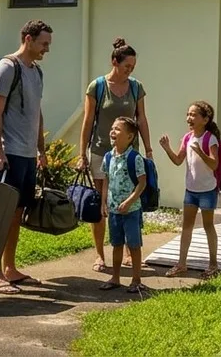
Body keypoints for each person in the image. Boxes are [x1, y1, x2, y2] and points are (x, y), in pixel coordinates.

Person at [0, 20, 51, 295]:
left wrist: (41, 149)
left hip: (27, 154)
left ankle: (10, 268)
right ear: (28, 38)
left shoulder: (36, 72)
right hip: (9, 153)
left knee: (17, 213)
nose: (46, 49)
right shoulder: (6, 68)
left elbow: (37, 113)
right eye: (43, 44)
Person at [79, 38, 154, 272]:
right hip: (102, 151)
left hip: (130, 155)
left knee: (133, 202)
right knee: (102, 203)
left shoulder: (136, 87)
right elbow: (88, 120)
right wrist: (82, 153)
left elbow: (141, 118)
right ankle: (100, 254)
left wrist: (149, 149)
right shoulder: (97, 86)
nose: (129, 70)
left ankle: (132, 253)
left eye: (132, 67)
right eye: (126, 66)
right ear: (114, 62)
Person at [158, 100, 221, 279]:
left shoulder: (210, 138)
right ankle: (181, 264)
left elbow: (214, 164)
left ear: (205, 119)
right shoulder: (187, 137)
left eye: (194, 115)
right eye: (188, 114)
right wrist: (167, 148)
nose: (189, 118)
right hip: (191, 190)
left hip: (208, 190)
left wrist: (201, 153)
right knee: (186, 227)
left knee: (208, 226)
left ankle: (213, 265)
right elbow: (178, 160)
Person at [99, 116, 148, 293]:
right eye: (112, 128)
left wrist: (129, 202)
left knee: (134, 245)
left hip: (131, 210)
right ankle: (116, 277)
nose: (113, 132)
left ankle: (136, 279)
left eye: (118, 129)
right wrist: (104, 202)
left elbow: (142, 183)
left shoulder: (135, 158)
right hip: (114, 210)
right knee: (116, 244)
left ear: (130, 137)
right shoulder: (108, 156)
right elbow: (106, 179)